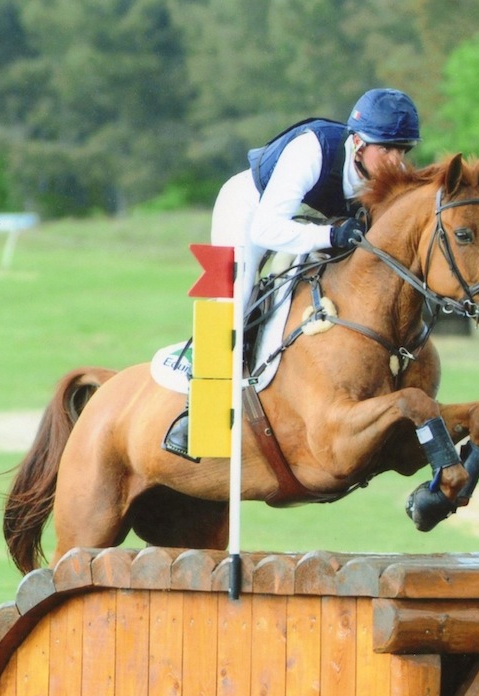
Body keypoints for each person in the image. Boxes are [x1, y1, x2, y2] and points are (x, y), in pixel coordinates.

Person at [165, 88, 421, 459]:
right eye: (388, 149)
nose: (397, 161)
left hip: (308, 224)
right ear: (358, 143)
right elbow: (267, 229)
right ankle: (196, 409)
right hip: (252, 211)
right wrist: (331, 234)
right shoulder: (312, 149)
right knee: (235, 295)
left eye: (403, 150)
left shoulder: (384, 173)